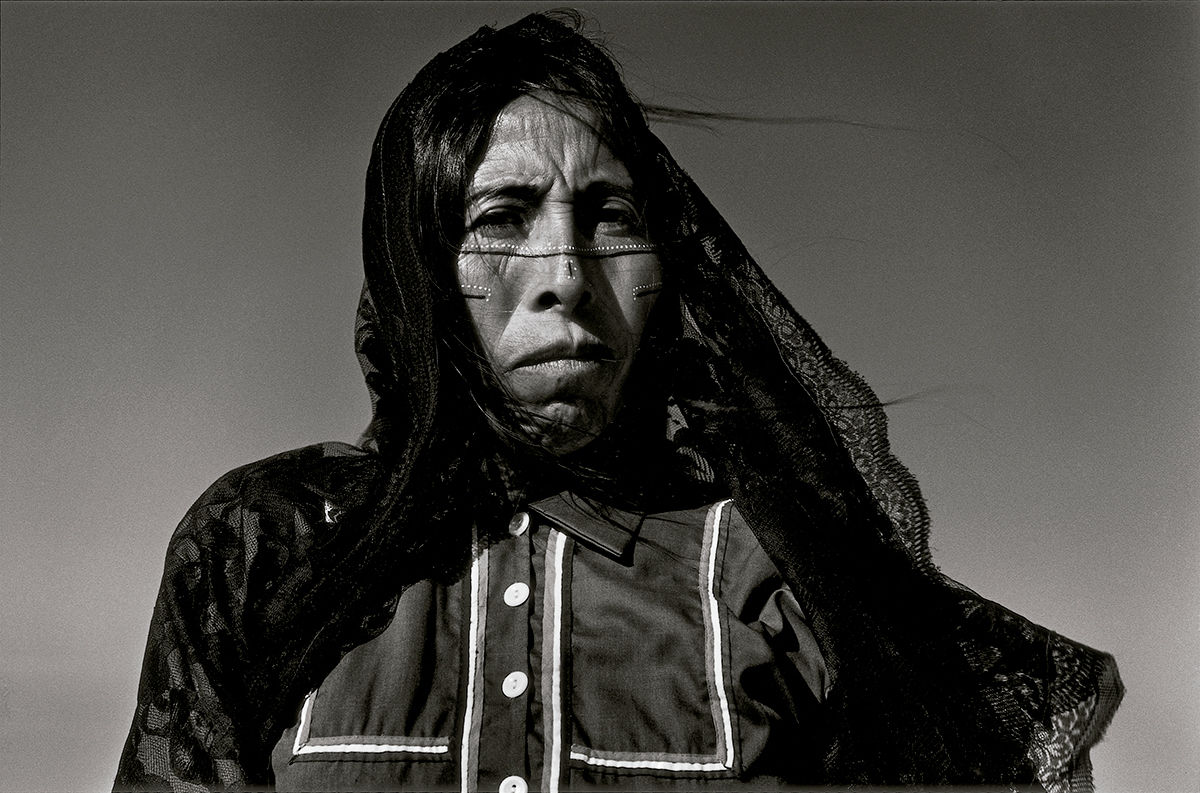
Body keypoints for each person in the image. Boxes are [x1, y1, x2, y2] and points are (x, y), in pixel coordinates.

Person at [115, 12, 1122, 792]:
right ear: (418, 264)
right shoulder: (267, 547)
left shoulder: (776, 567)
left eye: (611, 219)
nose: (565, 273)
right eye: (500, 217)